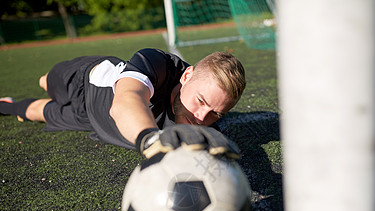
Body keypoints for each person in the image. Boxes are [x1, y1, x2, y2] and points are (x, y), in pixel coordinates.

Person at [0, 48, 246, 158]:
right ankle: (45, 81)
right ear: (186, 75)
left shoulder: (206, 127)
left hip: (93, 119)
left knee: (34, 112)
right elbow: (126, 101)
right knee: (46, 82)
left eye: (216, 113)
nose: (202, 118)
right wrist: (150, 140)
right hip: (84, 81)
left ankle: (7, 105)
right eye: (200, 101)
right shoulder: (157, 64)